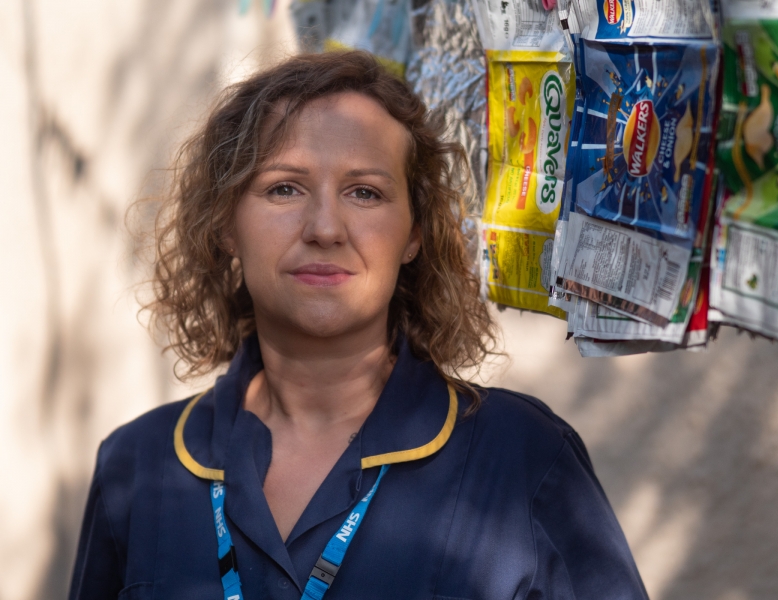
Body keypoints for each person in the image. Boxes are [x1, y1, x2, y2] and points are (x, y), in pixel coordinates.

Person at [69, 51, 649, 600]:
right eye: (284, 188)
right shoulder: (137, 466)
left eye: (365, 192)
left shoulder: (523, 457)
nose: (325, 227)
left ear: (415, 234)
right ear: (225, 224)